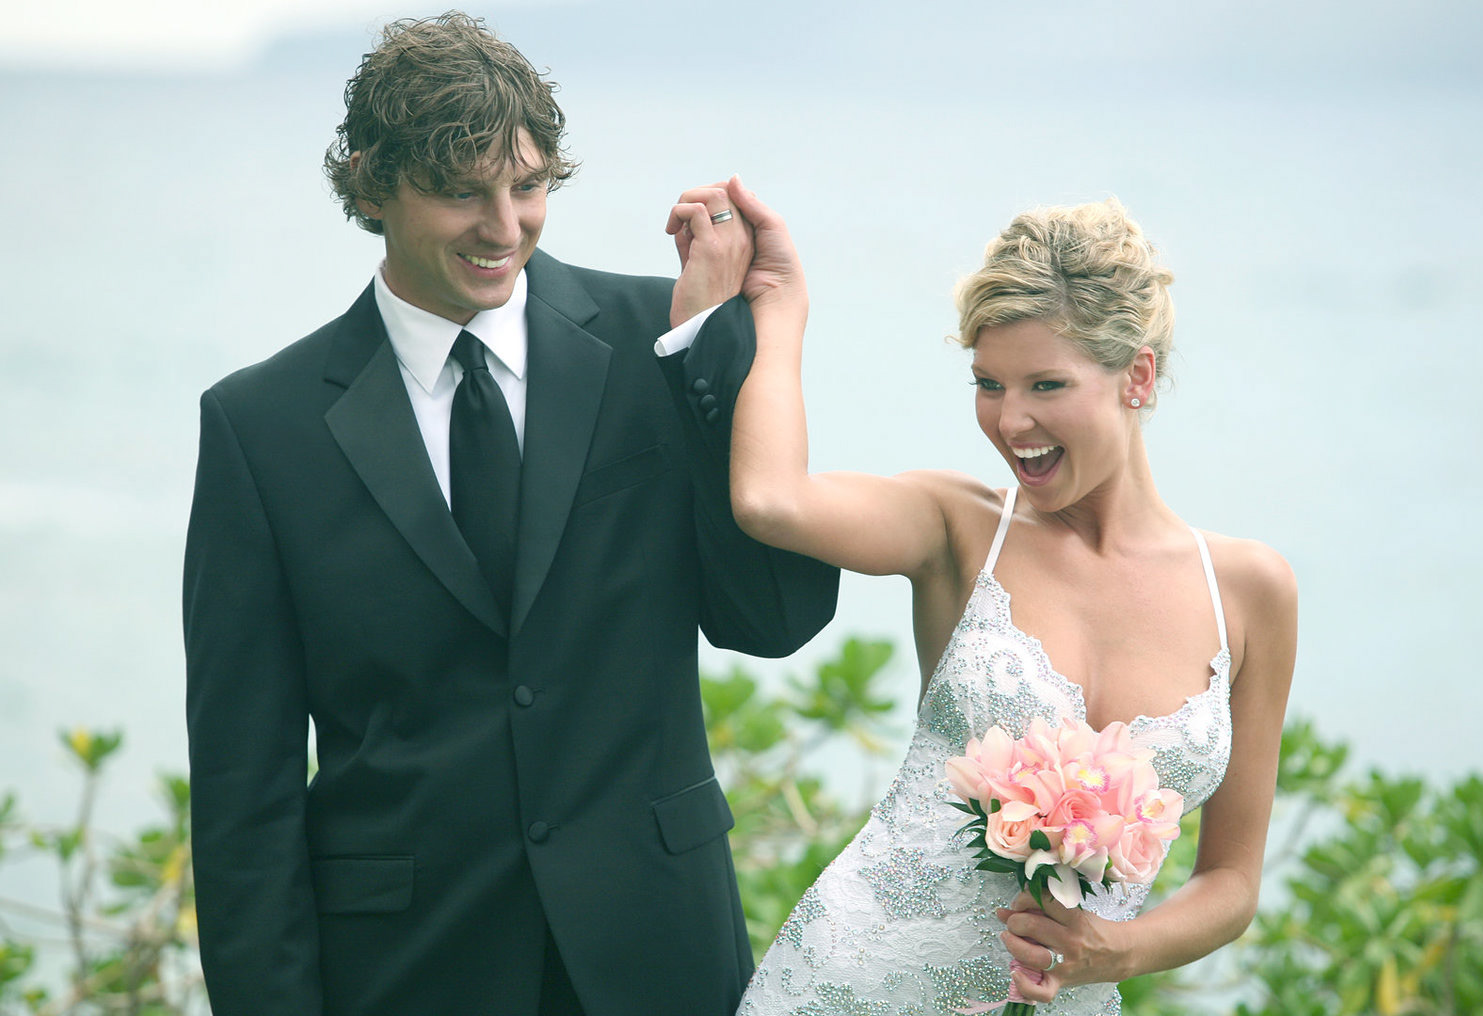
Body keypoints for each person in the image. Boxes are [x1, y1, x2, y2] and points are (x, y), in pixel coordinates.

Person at [181, 14, 838, 1016]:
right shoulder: (259, 426)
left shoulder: (663, 341)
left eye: (526, 185)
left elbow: (773, 616)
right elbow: (244, 792)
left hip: (656, 953)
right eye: (460, 191)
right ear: (370, 183)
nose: (504, 227)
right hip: (405, 969)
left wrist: (725, 351)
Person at [717, 180, 1298, 1014]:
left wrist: (1113, 951)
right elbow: (771, 501)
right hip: (851, 989)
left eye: (1045, 387)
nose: (1009, 421)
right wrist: (778, 309)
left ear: (1137, 376)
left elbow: (1233, 880)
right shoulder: (957, 528)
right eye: (988, 384)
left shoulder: (1248, 591)